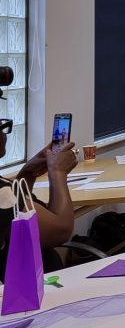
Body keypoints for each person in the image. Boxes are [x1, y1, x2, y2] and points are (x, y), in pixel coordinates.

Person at [0, 118, 78, 279]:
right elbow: (60, 230)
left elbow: (14, 215)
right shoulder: (3, 193)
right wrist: (57, 172)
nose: (4, 135)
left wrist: (27, 174)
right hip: (23, 291)